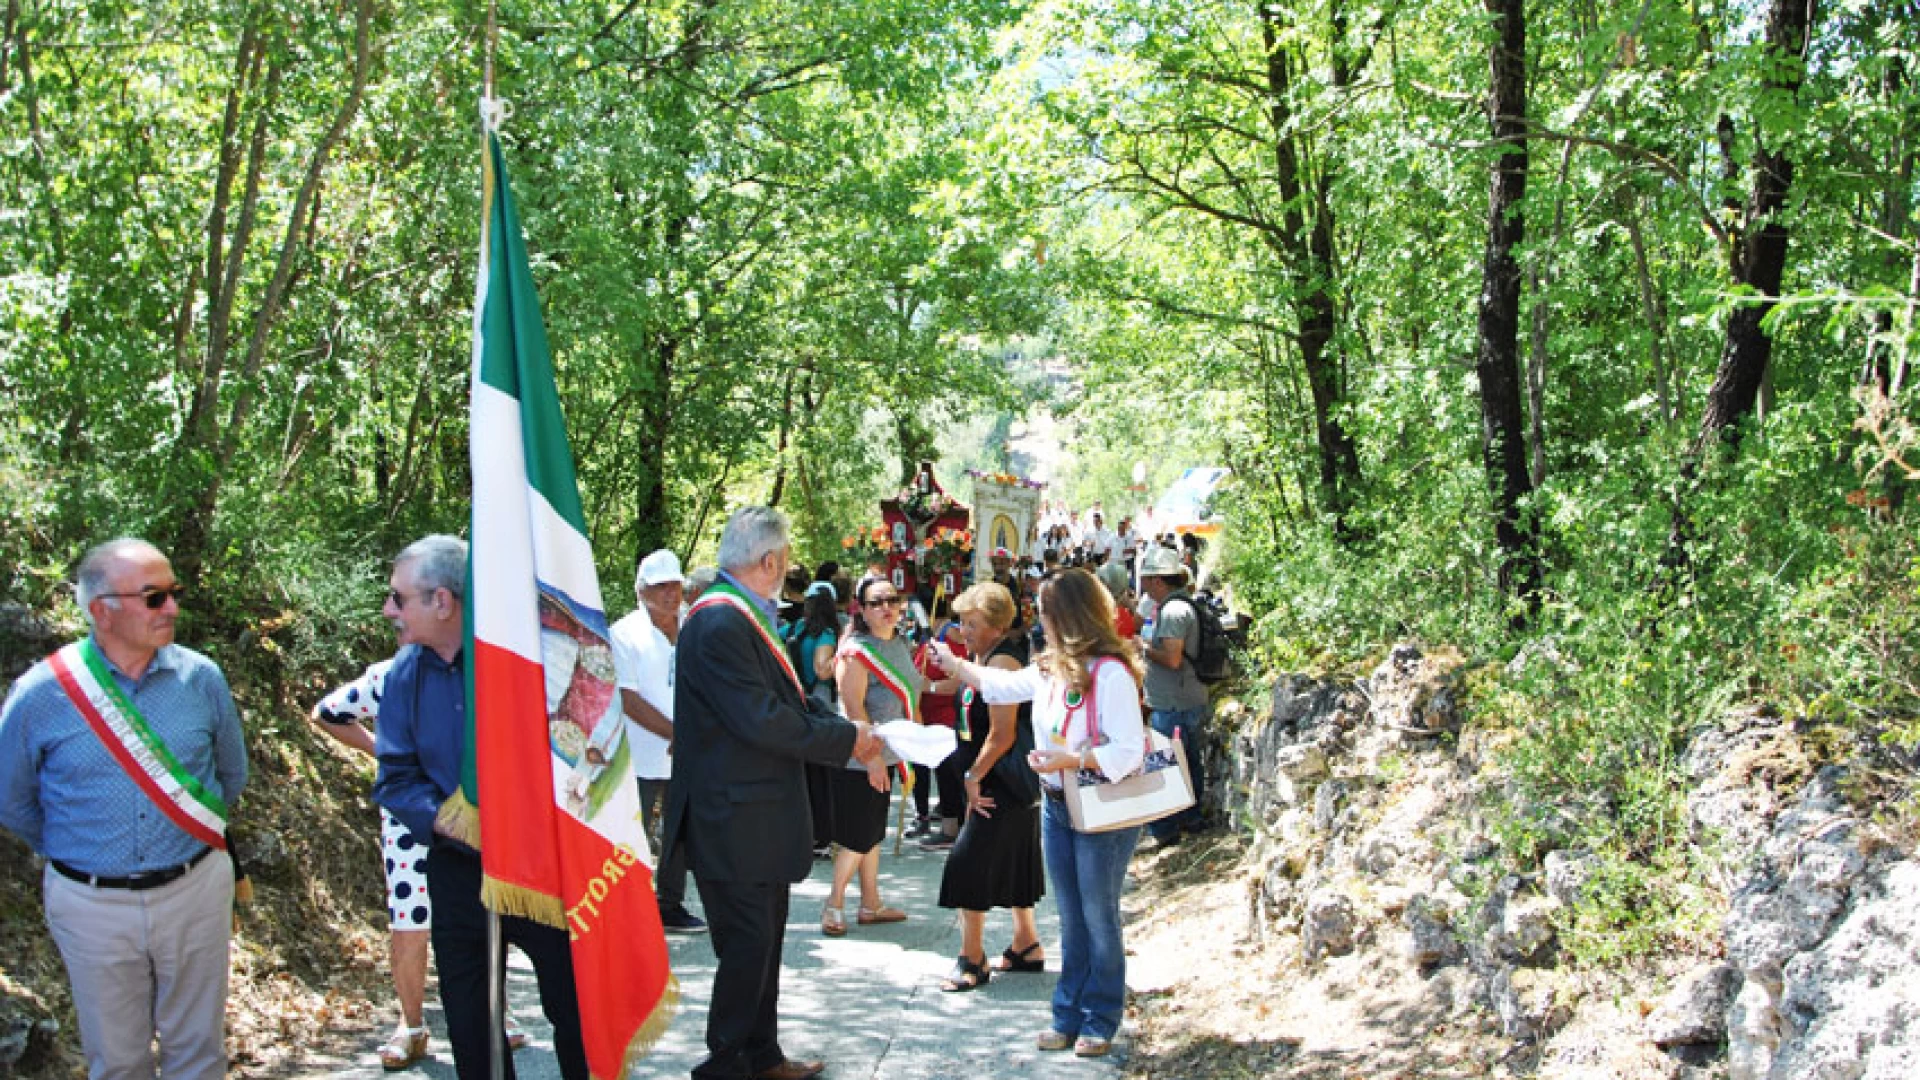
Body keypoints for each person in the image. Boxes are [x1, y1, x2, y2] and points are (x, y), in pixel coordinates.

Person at [0, 538, 248, 1080]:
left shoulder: (200, 678)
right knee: (117, 1061)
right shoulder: (42, 694)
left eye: (173, 593)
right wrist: (81, 852)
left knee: (199, 1055)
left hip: (195, 889)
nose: (173, 608)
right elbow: (12, 799)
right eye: (154, 597)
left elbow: (231, 776)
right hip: (91, 905)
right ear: (101, 611)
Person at [663, 507, 881, 1080]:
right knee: (745, 950)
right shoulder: (719, 622)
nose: (786, 572)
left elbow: (787, 701)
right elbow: (762, 720)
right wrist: (846, 740)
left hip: (754, 817)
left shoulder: (742, 616)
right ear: (769, 561)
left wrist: (849, 732)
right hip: (731, 820)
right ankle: (727, 1064)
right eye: (784, 562)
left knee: (763, 945)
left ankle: (762, 1055)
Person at [371, 535, 589, 1080]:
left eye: (399, 597)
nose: (388, 609)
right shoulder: (403, 674)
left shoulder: (528, 658)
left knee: (575, 1010)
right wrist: (448, 820)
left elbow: (578, 747)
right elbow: (395, 776)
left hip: (541, 867)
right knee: (471, 1022)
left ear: (442, 601)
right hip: (457, 867)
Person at [928, 569, 1147, 1057]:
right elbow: (1003, 686)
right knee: (1071, 917)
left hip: (1100, 809)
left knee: (1098, 915)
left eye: (1046, 613)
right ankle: (1066, 1014)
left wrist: (1074, 759)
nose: (1039, 622)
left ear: (1068, 616)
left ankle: (1100, 1017)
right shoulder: (1050, 668)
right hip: (1057, 805)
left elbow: (1129, 751)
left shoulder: (1110, 673)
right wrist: (956, 665)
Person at [311, 660, 531, 1069]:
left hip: (472, 821)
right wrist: (384, 748)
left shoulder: (475, 665)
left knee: (483, 916)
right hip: (407, 823)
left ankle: (497, 1012)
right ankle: (411, 1025)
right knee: (409, 922)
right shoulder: (389, 675)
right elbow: (327, 713)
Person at [932, 583, 1046, 994]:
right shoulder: (981, 658)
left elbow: (1002, 733)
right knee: (1018, 859)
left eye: (972, 623)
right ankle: (1026, 943)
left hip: (999, 780)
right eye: (961, 621)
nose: (963, 630)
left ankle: (972, 957)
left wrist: (972, 776)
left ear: (997, 624)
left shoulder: (1003, 663)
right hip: (996, 779)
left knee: (968, 863)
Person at [611, 548, 705, 933]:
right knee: (635, 830)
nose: (670, 593)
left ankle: (669, 902)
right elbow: (628, 698)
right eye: (660, 586)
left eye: (675, 585)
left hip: (688, 750)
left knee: (679, 830)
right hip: (643, 751)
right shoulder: (624, 633)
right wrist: (675, 733)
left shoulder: (696, 625)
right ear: (642, 590)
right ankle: (626, 905)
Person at [819, 576, 917, 935]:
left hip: (889, 753)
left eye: (891, 599)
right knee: (858, 834)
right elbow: (853, 707)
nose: (886, 607)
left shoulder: (901, 643)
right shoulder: (855, 650)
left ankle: (871, 903)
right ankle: (834, 902)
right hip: (860, 755)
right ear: (861, 609)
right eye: (876, 602)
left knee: (872, 829)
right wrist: (870, 757)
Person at [1136, 545, 1209, 845]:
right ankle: (1190, 818)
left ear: (1157, 580)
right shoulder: (1180, 606)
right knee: (1187, 762)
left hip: (1175, 703)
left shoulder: (1173, 611)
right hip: (1184, 699)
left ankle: (1166, 829)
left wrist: (1141, 648)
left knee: (1164, 766)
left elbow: (1172, 658)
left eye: (1146, 579)